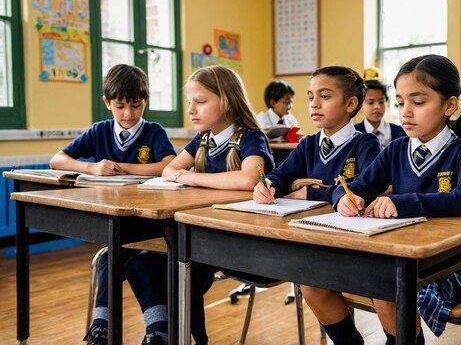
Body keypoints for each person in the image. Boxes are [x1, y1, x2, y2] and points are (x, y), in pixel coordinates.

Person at [320, 55, 461, 345]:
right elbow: (359, 185)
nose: (406, 112)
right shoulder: (396, 149)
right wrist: (343, 197)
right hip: (398, 252)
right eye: (400, 102)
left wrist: (401, 202)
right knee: (313, 278)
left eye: (418, 103)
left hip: (449, 261)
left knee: (384, 285)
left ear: (450, 105)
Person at [49, 63, 177, 345]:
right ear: (107, 103)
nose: (128, 114)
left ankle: (108, 326)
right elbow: (57, 160)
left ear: (145, 101)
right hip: (114, 221)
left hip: (149, 222)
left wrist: (123, 166)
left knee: (122, 256)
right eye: (120, 106)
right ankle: (146, 328)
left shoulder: (153, 132)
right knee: (113, 254)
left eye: (135, 105)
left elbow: (168, 165)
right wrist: (92, 167)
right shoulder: (99, 131)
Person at [159, 65, 273, 345]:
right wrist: (184, 175)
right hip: (204, 234)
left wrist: (193, 178)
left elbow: (249, 179)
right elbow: (168, 170)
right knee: (156, 264)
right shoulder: (203, 139)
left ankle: (189, 337)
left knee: (180, 269)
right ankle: (181, 336)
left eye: (200, 102)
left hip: (243, 239)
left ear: (227, 101)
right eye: (189, 103)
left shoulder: (250, 137)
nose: (190, 110)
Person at [252, 65, 380, 205]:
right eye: (311, 97)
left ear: (350, 104)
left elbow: (367, 187)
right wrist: (268, 186)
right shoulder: (308, 144)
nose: (314, 104)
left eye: (324, 96)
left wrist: (312, 193)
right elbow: (281, 175)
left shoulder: (366, 143)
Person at [354, 79, 406, 148]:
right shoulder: (353, 133)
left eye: (381, 102)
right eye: (370, 102)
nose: (377, 107)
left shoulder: (400, 132)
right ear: (360, 106)